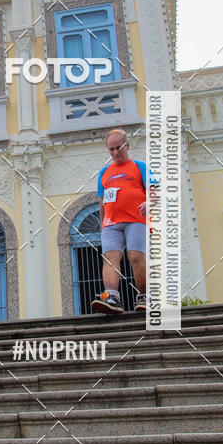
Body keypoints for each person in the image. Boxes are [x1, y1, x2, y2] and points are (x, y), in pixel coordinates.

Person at [91, 128, 157, 314]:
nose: (115, 153)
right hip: (111, 224)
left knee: (135, 256)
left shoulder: (140, 166)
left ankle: (144, 296)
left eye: (118, 148)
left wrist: (148, 203)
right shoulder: (105, 172)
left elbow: (154, 190)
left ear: (127, 145)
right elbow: (102, 201)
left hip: (136, 219)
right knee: (110, 257)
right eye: (111, 149)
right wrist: (103, 224)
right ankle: (112, 297)